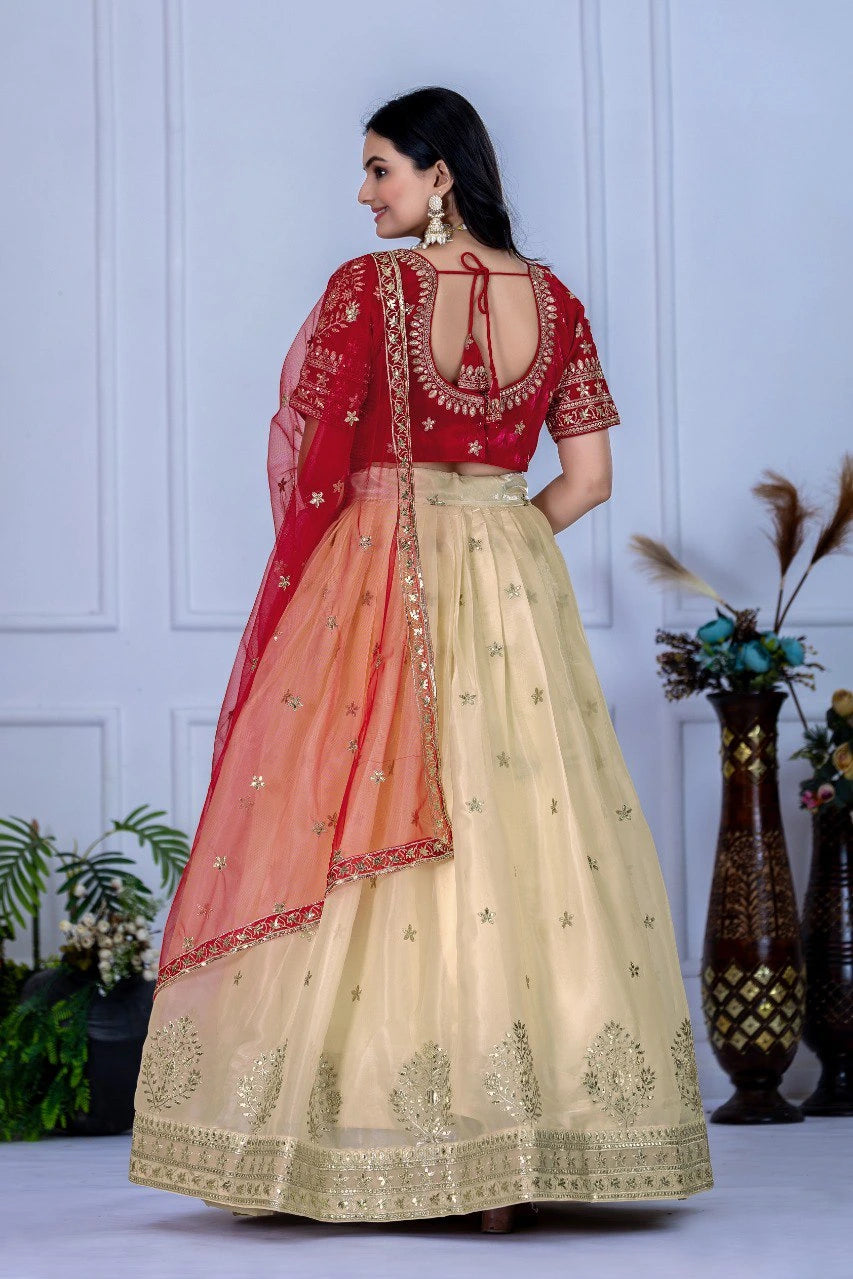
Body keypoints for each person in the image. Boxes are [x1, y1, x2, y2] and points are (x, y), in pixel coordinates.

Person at [128, 86, 714, 1233]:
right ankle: (531, 1144)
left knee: (367, 817)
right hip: (511, 573)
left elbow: (312, 461)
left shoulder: (373, 289)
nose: (363, 194)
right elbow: (589, 482)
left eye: (380, 169)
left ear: (439, 174)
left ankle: (373, 1139)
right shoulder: (557, 300)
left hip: (381, 571)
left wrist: (338, 564)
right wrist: (496, 548)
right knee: (524, 825)